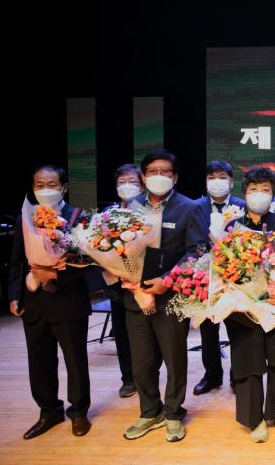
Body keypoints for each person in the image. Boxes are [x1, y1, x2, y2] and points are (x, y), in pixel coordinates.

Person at [120, 150, 207, 443]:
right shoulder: (129, 207)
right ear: (144, 177)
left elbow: (197, 251)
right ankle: (149, 411)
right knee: (141, 362)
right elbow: (115, 247)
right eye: (152, 171)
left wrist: (167, 280)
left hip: (170, 298)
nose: (159, 176)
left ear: (175, 177)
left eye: (165, 171)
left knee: (174, 359)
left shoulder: (189, 208)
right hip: (135, 296)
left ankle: (173, 412)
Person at [9, 165, 92, 439]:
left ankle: (78, 412)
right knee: (39, 361)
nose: (45, 189)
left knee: (75, 361)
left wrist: (54, 275)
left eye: (52, 184)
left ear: (64, 187)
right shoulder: (26, 218)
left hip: (68, 301)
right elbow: (16, 261)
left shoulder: (79, 218)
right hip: (33, 303)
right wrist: (14, 295)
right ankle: (49, 411)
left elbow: (89, 264)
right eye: (39, 185)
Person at [223, 167, 275, 443]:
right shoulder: (232, 226)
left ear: (273, 193)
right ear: (244, 193)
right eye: (253, 189)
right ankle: (252, 417)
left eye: (265, 190)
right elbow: (221, 266)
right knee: (248, 359)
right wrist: (241, 296)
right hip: (243, 308)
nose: (259, 194)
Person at [192, 160, 246, 396]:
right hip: (204, 276)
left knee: (237, 328)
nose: (217, 182)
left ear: (231, 182)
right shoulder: (194, 207)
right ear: (205, 182)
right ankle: (212, 375)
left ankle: (238, 375)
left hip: (235, 277)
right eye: (212, 177)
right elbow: (191, 239)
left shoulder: (243, 206)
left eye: (222, 177)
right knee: (208, 329)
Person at [105, 164, 145, 398]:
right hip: (116, 282)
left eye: (133, 182)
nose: (127, 186)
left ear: (142, 186)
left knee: (147, 333)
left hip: (143, 283)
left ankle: (146, 373)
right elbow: (96, 246)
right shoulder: (107, 215)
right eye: (122, 182)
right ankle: (128, 378)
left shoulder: (149, 214)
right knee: (121, 331)